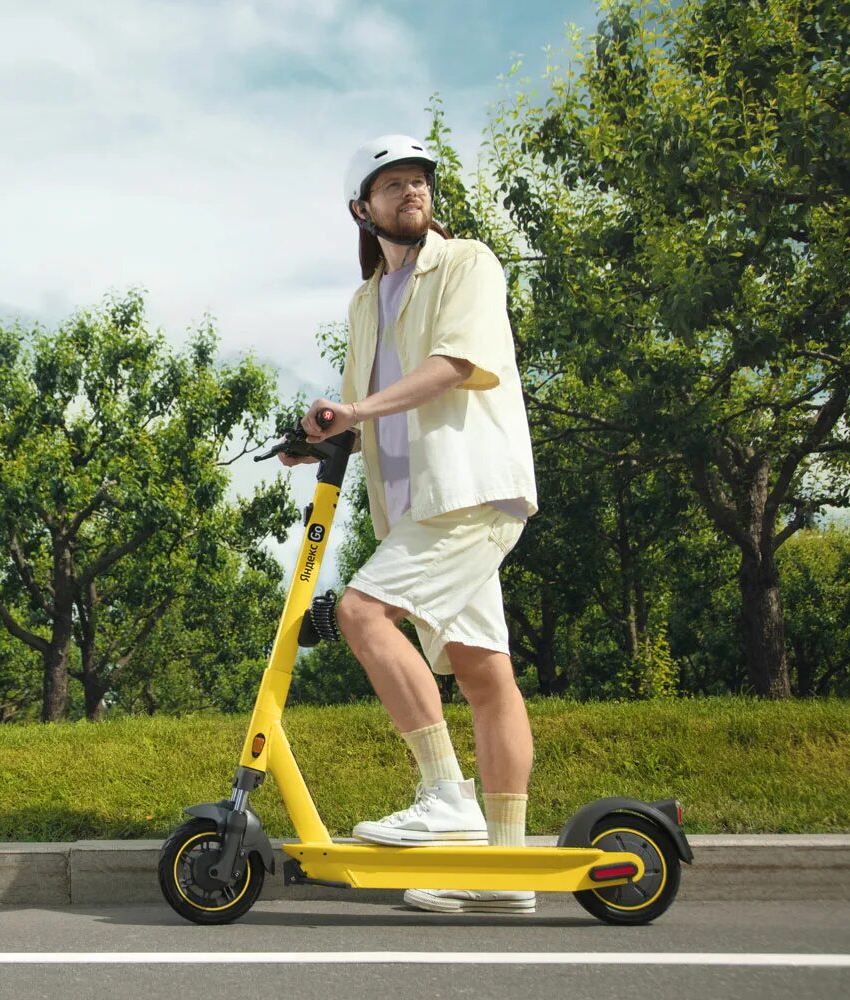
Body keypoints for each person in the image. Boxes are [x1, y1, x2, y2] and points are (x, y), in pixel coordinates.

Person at [282, 134, 540, 914]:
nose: (411, 193)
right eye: (392, 185)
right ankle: (505, 874)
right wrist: (324, 434)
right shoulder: (367, 301)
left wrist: (353, 410)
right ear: (363, 209)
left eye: (419, 181)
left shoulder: (467, 264)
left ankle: (443, 795)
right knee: (484, 675)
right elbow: (368, 401)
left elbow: (455, 365)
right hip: (415, 505)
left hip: (468, 492)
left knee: (359, 612)